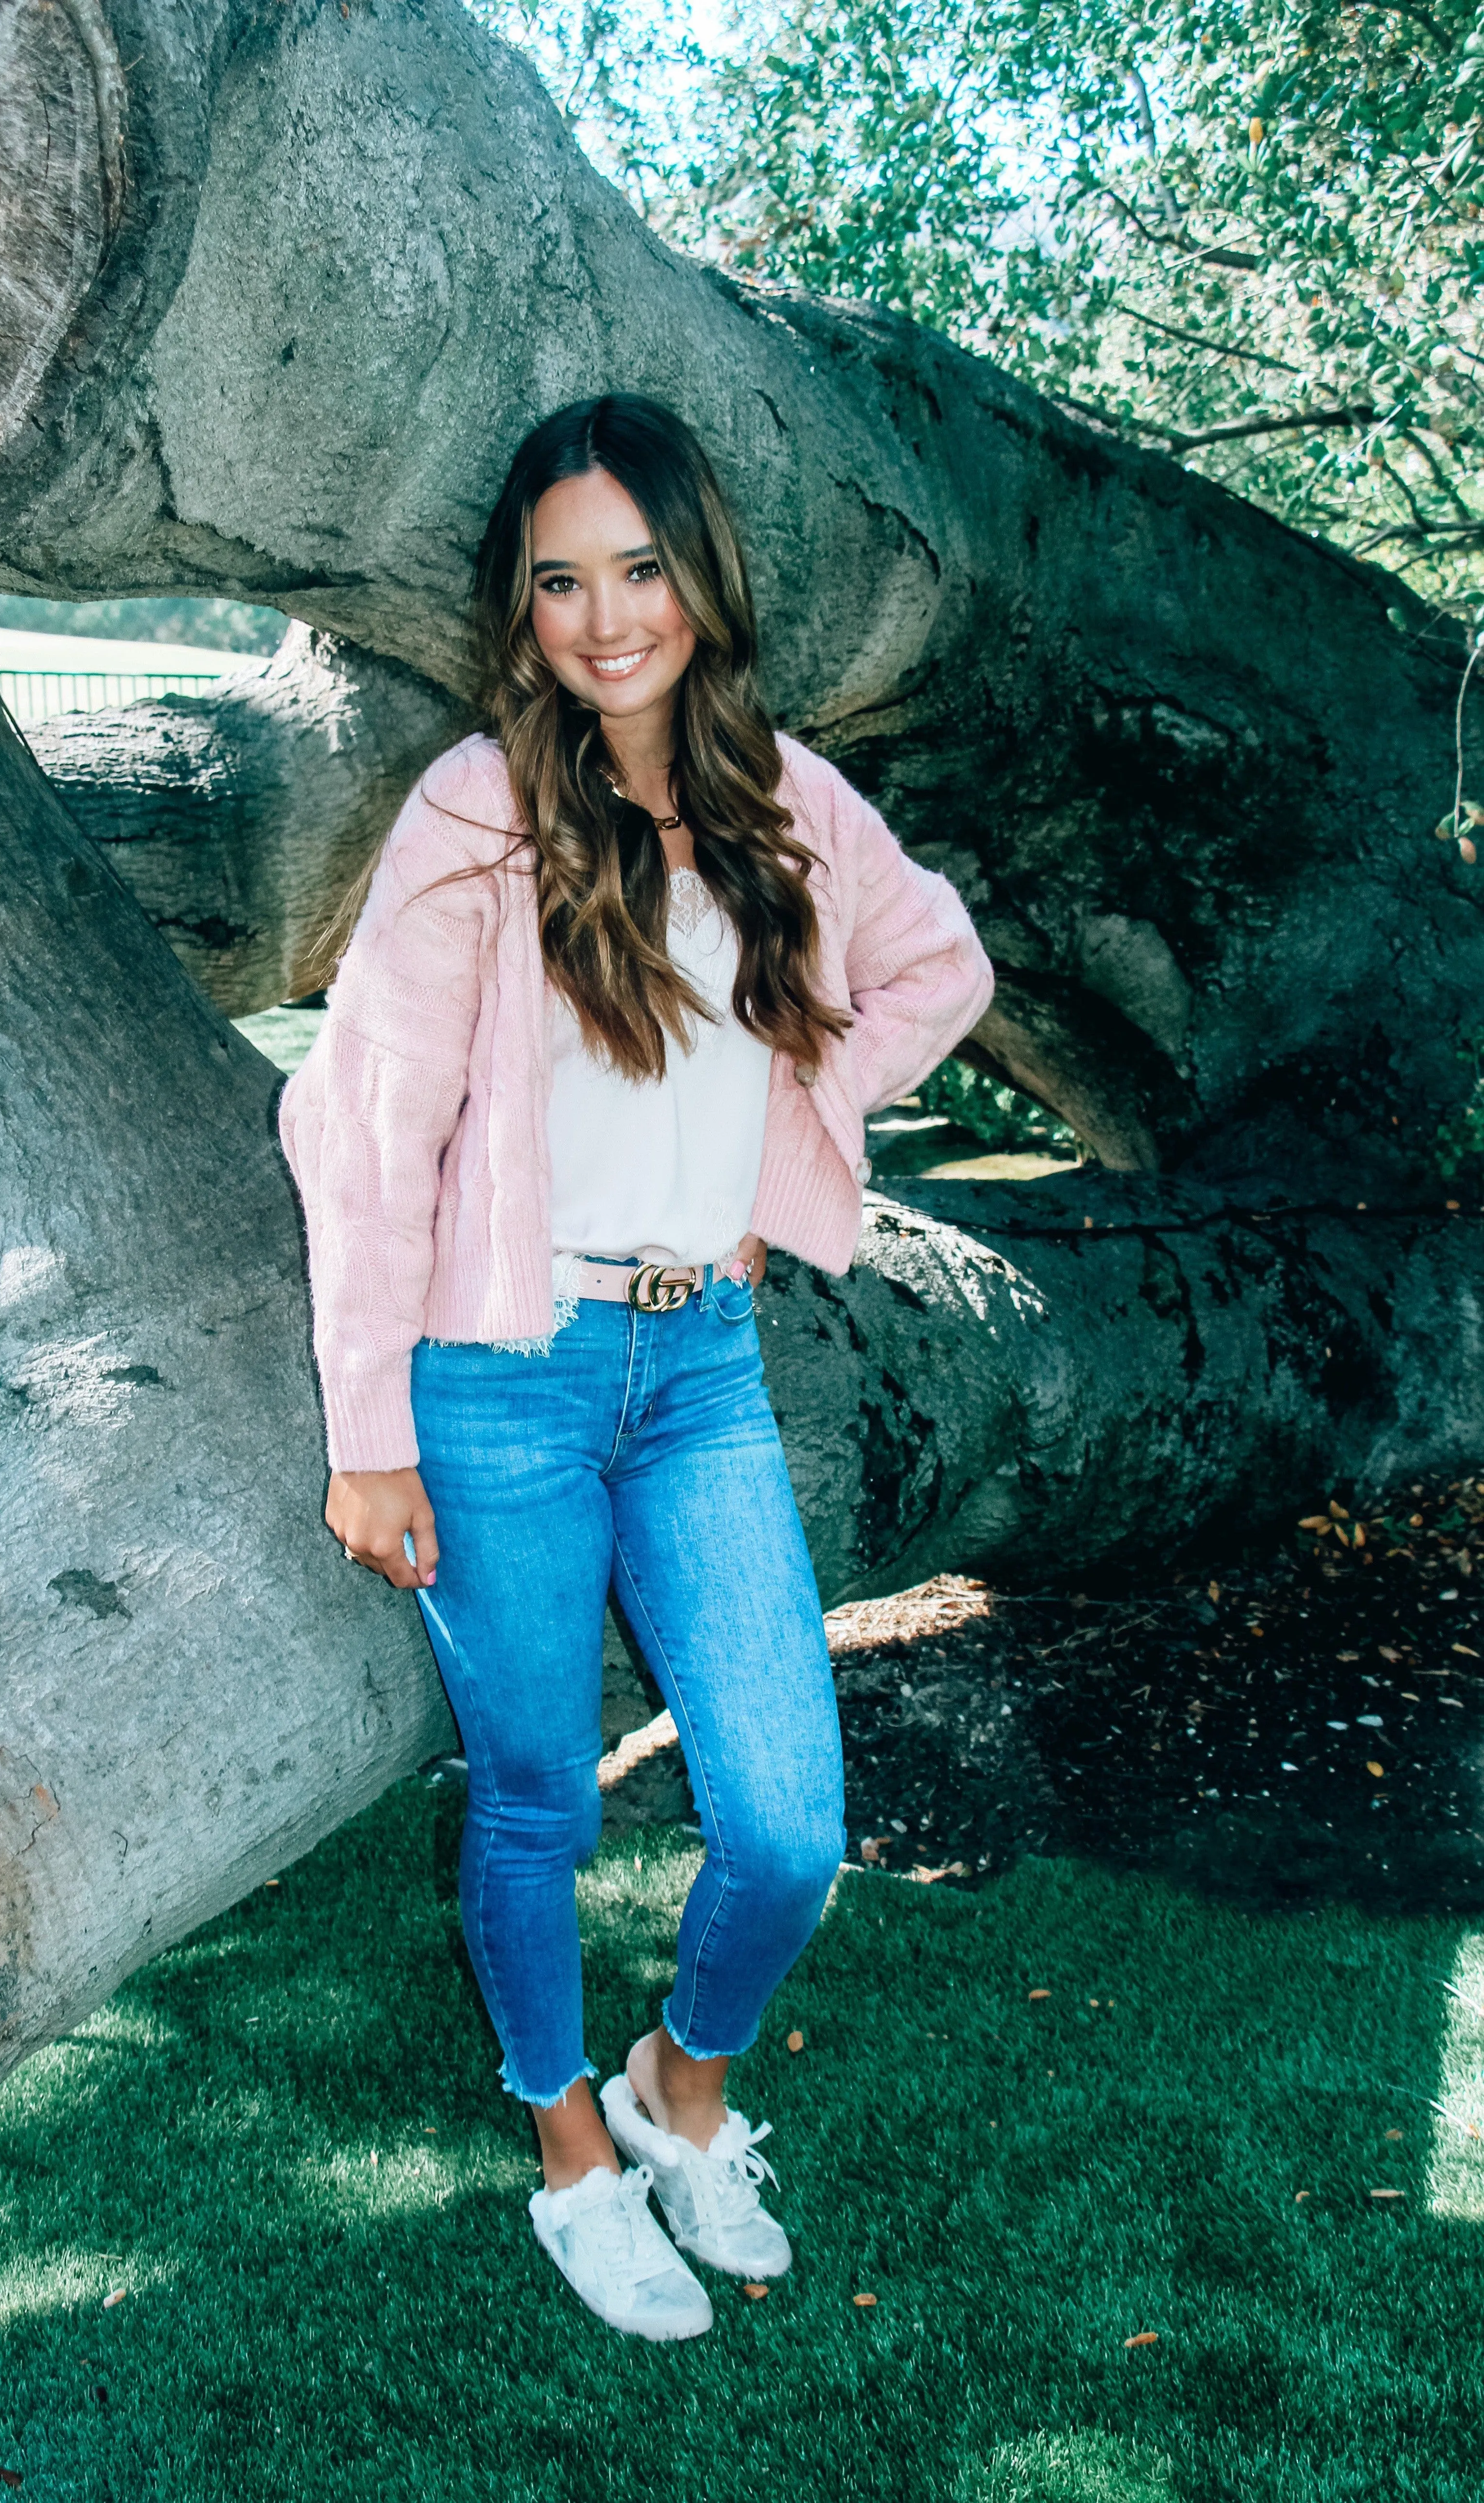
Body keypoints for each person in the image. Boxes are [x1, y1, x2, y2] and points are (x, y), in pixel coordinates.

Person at [280, 393, 993, 2341]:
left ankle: (682, 2088)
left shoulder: (787, 798)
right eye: (563, 579)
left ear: (702, 575)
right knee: (536, 1803)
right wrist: (368, 1435)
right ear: (522, 605)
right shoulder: (472, 814)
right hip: (495, 1382)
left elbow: (940, 965)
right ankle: (570, 2151)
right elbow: (362, 1132)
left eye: (642, 568)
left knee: (787, 1822)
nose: (609, 617)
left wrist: (790, 1135)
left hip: (703, 1368)